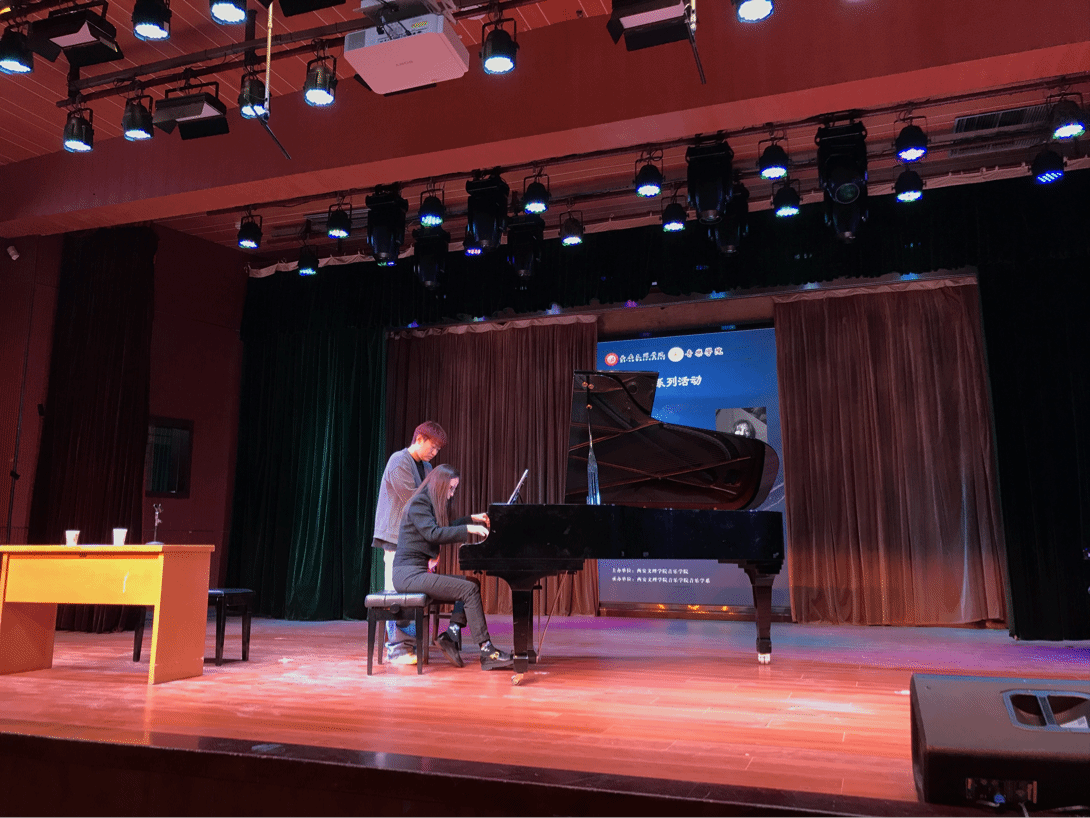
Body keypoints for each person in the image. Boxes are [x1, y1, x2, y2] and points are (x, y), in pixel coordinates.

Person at [393, 464, 514, 671]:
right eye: (450, 489)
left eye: (454, 489)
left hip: (416, 573)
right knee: (468, 590)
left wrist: (471, 519)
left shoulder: (426, 503)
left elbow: (442, 528)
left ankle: (452, 633)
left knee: (471, 583)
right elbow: (433, 534)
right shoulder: (419, 503)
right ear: (439, 486)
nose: (451, 494)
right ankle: (487, 651)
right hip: (408, 575)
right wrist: (468, 528)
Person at [371, 420, 448, 665]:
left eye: (438, 449)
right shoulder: (399, 461)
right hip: (396, 538)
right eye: (432, 447)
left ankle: (410, 643)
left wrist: (433, 545)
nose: (434, 452)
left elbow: (432, 506)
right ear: (419, 439)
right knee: (397, 595)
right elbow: (414, 502)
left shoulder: (426, 467)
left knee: (413, 593)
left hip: (415, 541)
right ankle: (396, 648)